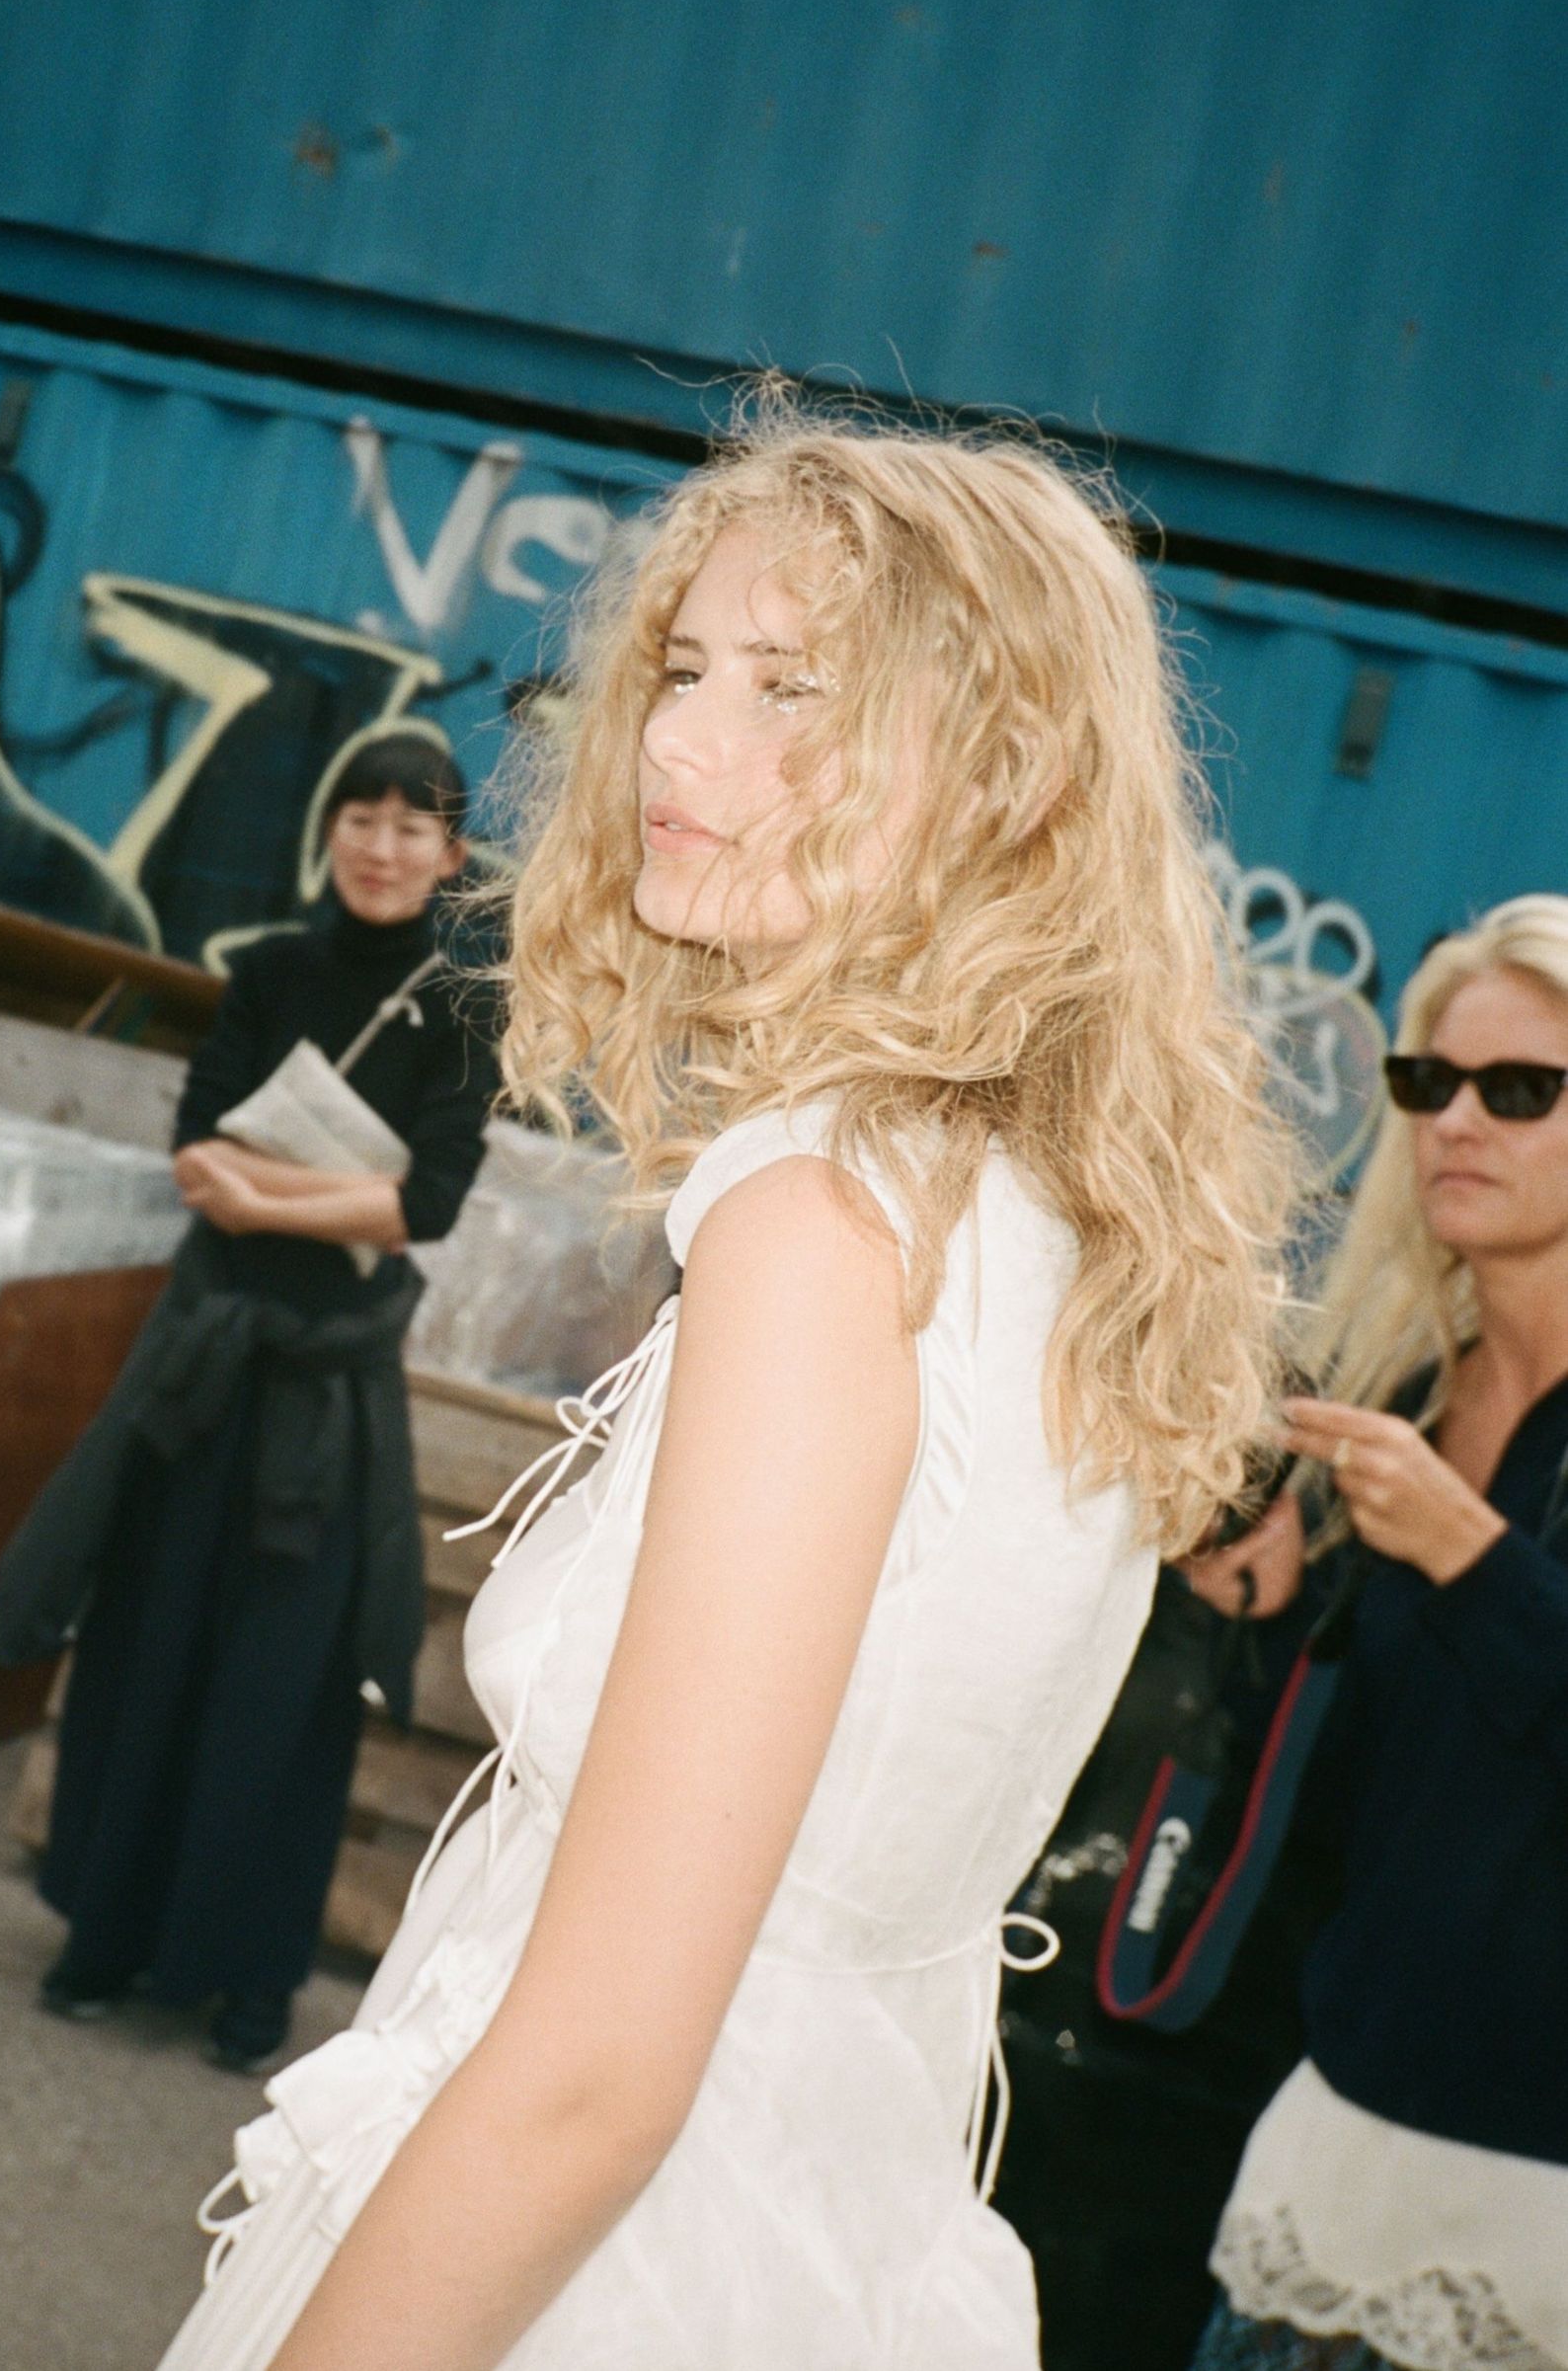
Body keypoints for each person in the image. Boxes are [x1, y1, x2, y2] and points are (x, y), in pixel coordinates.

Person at [155, 410, 1294, 2370]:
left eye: (791, 689)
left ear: (1006, 774)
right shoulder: (1051, 1217)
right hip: (815, 2231)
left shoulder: (824, 1222)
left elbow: (596, 2080)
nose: (675, 740)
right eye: (683, 668)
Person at [3, 726, 500, 2074]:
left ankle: (250, 1978)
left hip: (326, 1398)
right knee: (147, 1640)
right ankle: (105, 1933)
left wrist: (265, 1194)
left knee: (284, 1688)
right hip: (201, 1370)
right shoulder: (272, 971)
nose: (381, 847)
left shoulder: (464, 1008)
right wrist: (326, 1195)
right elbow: (193, 1149)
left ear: (451, 855)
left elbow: (424, 1204)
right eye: (361, 818)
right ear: (330, 832)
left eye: (411, 826)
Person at [1186, 896, 1568, 2371]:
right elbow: (1351, 1807)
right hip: (1332, 2148)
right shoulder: (1400, 1393)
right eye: (1430, 1080)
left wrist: (1472, 1558)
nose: (1457, 1120)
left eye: (1520, 1088)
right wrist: (1269, 1620)